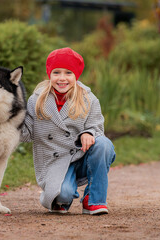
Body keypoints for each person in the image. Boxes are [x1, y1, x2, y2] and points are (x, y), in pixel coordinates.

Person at [21, 47, 116, 215]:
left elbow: (97, 127)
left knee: (103, 144)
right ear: (49, 74)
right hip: (54, 162)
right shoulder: (36, 99)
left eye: (68, 73)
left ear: (76, 75)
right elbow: (27, 132)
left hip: (81, 156)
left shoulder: (88, 98)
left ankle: (93, 200)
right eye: (56, 72)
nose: (62, 78)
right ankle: (58, 195)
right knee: (62, 196)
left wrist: (88, 133)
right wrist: (9, 117)